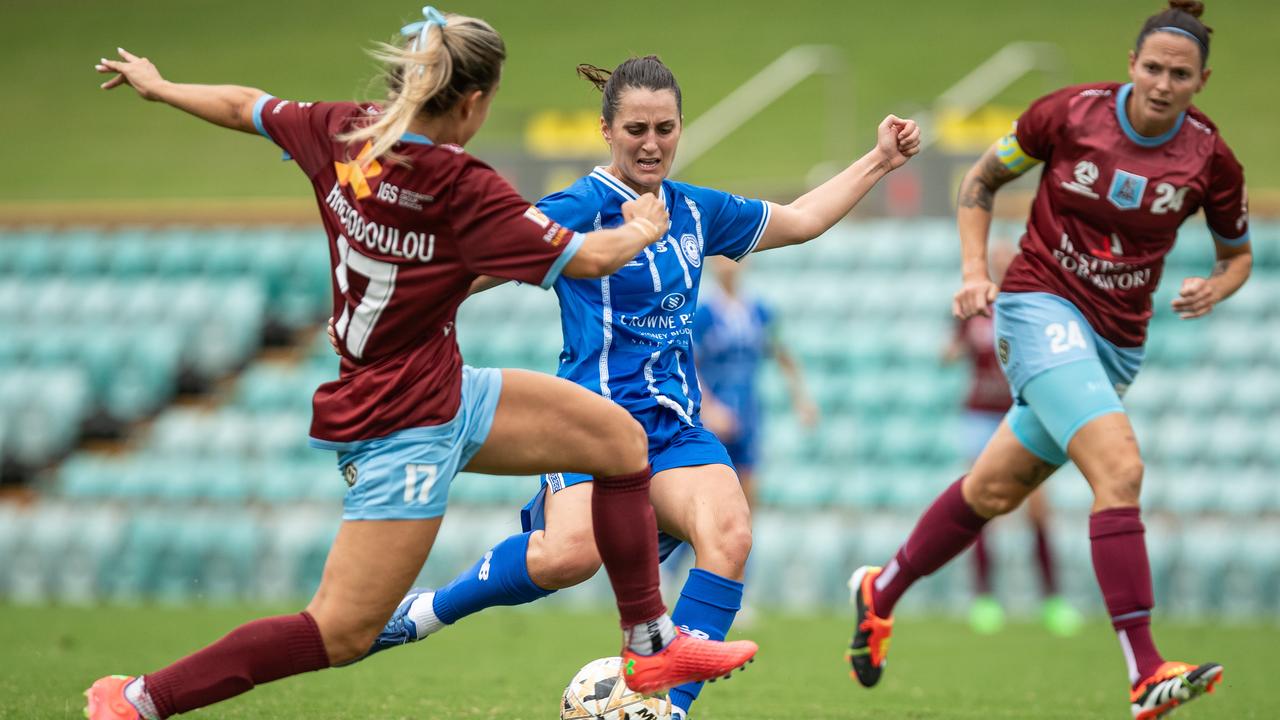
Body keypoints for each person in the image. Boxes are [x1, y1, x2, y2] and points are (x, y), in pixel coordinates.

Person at [83, 9, 758, 719]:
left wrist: (161, 87)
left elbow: (243, 105)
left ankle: (651, 646)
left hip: (445, 386)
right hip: (404, 419)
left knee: (619, 442)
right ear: (470, 102)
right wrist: (644, 228)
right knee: (338, 631)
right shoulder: (464, 190)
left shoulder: (344, 129)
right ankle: (140, 699)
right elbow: (588, 256)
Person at [350, 55, 918, 720]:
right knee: (569, 556)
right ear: (607, 131)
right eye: (637, 129)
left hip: (674, 430)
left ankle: (665, 708)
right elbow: (474, 269)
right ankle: (424, 614)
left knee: (729, 533)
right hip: (589, 428)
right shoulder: (579, 207)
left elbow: (802, 219)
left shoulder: (697, 210)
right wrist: (394, 319)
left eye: (665, 128)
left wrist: (879, 160)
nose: (652, 143)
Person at [845, 3, 1248, 718]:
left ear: (1201, 81)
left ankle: (879, 595)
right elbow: (980, 181)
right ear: (1131, 64)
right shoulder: (1068, 115)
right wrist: (975, 271)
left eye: (1179, 74)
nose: (1162, 83)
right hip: (1039, 307)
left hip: (1119, 341)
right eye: (1152, 67)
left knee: (993, 493)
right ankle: (1146, 671)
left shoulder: (1210, 159)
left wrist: (1217, 285)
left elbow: (1238, 254)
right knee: (1120, 468)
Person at [941, 243, 1081, 637]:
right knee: (981, 505)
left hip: (1020, 412)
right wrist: (950, 350)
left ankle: (1053, 600)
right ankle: (984, 599)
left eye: (1008, 261)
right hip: (980, 415)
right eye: (997, 262)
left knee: (1037, 509)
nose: (1002, 267)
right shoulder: (975, 306)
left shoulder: (1032, 307)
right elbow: (953, 348)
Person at [695, 255, 819, 508]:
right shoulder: (703, 313)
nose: (729, 263)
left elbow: (782, 354)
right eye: (721, 256)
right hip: (714, 415)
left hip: (748, 410)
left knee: (749, 489)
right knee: (710, 492)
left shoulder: (759, 310)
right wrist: (708, 408)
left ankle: (747, 546)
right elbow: (687, 364)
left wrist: (801, 400)